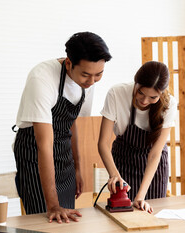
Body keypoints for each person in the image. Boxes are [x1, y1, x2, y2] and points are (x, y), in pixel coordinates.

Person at [13, 32, 112, 223]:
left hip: (63, 150)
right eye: (86, 75)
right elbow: (44, 144)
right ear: (69, 64)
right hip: (34, 151)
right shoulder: (41, 78)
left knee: (68, 220)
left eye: (98, 74)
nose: (91, 82)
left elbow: (72, 122)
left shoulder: (88, 80)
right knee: (46, 220)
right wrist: (52, 205)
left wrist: (77, 167)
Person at [98, 61, 177, 213]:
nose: (144, 101)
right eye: (140, 92)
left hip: (154, 167)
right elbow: (103, 143)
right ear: (136, 82)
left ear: (162, 93)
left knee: (150, 215)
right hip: (123, 161)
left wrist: (140, 196)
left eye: (153, 97)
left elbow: (155, 154)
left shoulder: (169, 104)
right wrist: (114, 175)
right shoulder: (117, 94)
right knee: (122, 213)